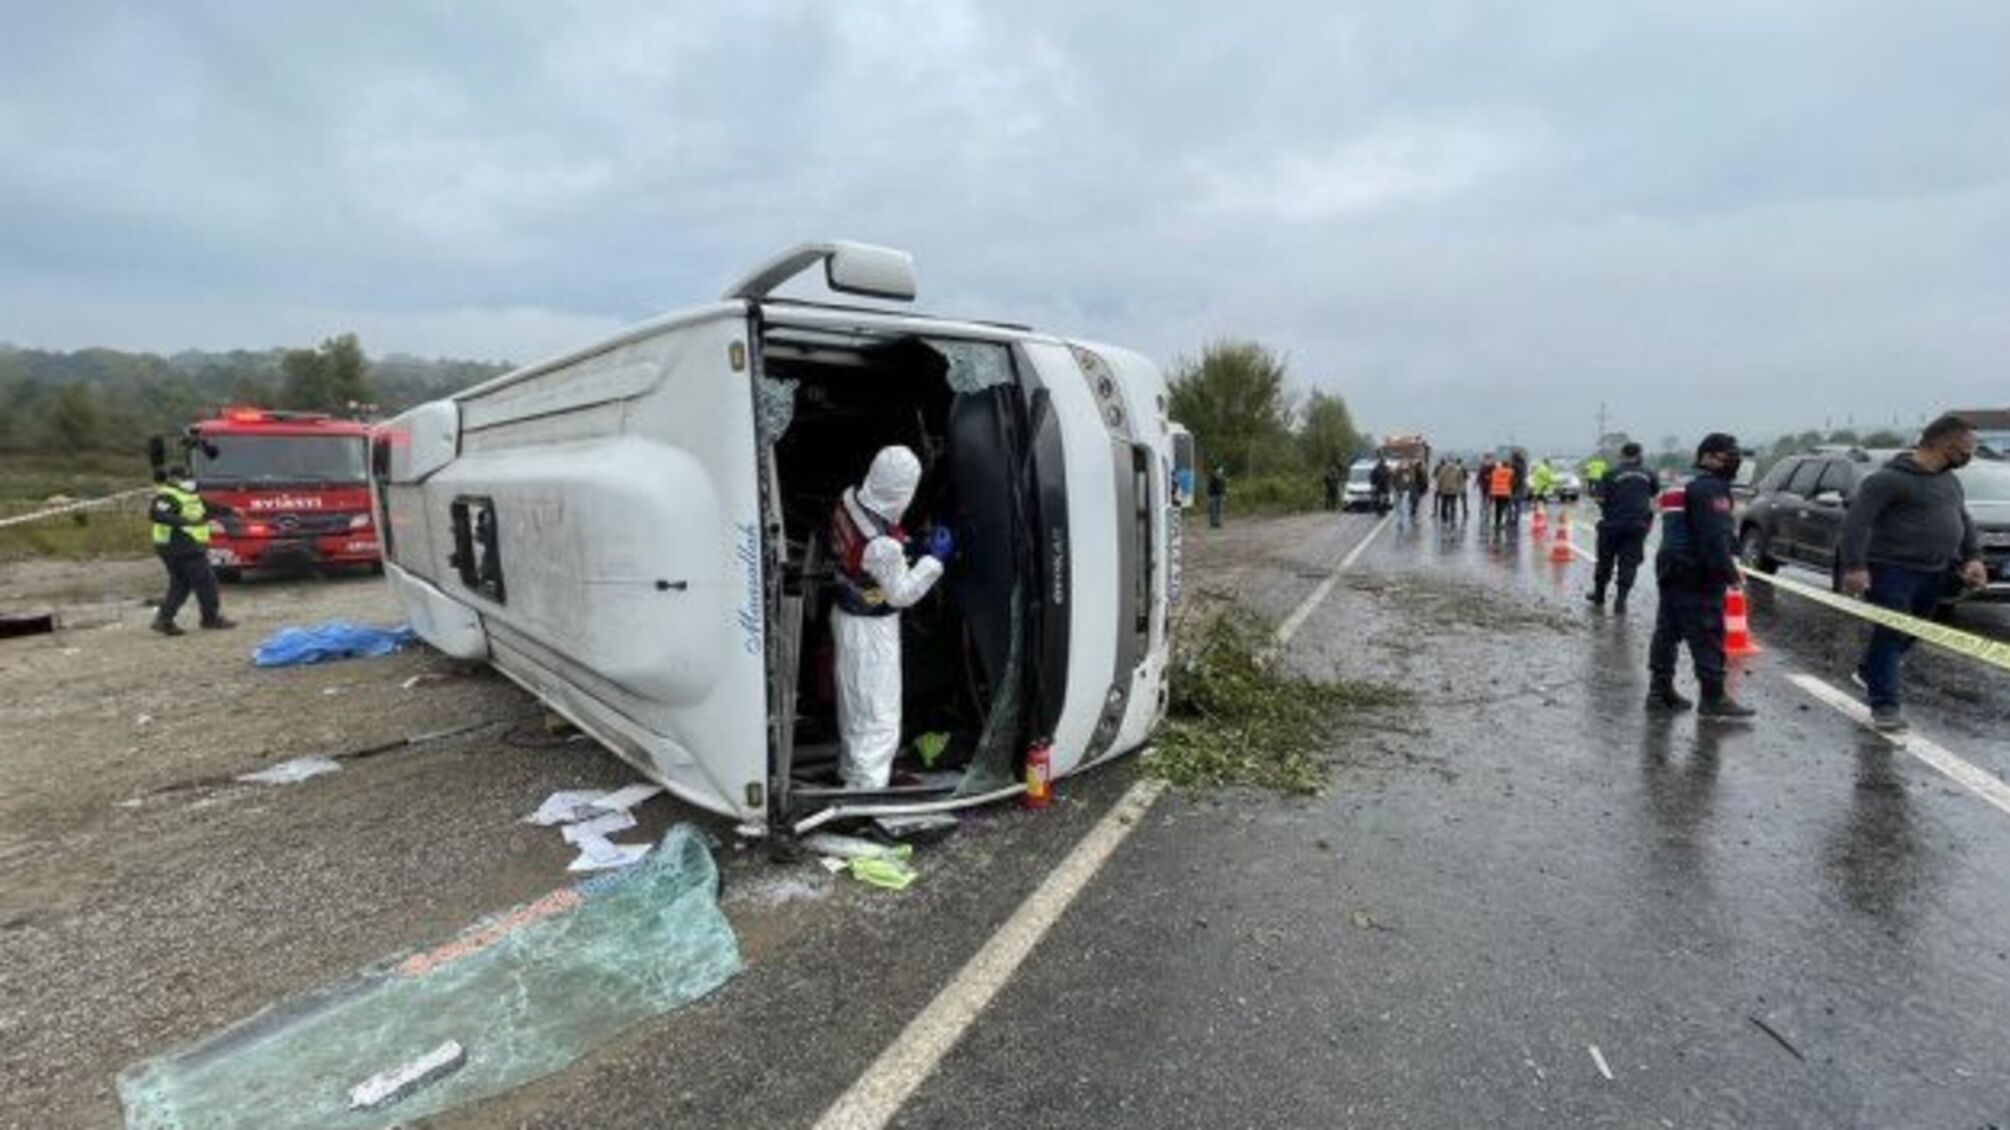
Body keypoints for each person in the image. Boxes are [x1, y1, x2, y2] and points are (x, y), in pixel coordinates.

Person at [1837, 414, 1988, 732]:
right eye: (1967, 447)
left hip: (1935, 571)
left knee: (1913, 632)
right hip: (1892, 571)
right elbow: (1856, 523)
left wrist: (1973, 557)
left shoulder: (1949, 480)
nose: (1970, 455)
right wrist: (1855, 566)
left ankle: (1870, 671)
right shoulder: (1887, 480)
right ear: (1946, 444)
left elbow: (1963, 518)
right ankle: (1885, 707)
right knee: (1892, 634)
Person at [828, 445, 953, 789]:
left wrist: (910, 546)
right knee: (879, 716)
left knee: (855, 706)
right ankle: (867, 797)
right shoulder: (883, 546)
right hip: (871, 629)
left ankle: (851, 774)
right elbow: (901, 594)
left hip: (845, 614)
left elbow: (873, 550)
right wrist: (935, 560)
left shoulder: (850, 498)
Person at [1647, 433, 1754, 719]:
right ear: (1707, 456)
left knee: (1667, 631)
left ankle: (1659, 692)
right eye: (1728, 455)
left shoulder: (1681, 483)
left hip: (1670, 565)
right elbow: (1714, 537)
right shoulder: (1710, 488)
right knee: (1707, 633)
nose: (1733, 461)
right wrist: (1730, 574)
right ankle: (1713, 698)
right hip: (1697, 570)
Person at [148, 464, 235, 636]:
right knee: (206, 582)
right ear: (173, 478)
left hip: (185, 545)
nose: (188, 481)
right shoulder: (167, 495)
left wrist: (231, 511)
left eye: (189, 477)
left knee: (181, 584)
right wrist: (186, 522)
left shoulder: (189, 495)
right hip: (180, 545)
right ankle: (210, 619)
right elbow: (156, 514)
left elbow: (207, 507)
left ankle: (164, 619)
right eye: (184, 478)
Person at [1586, 442, 1656, 612]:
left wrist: (1609, 508)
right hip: (1638, 526)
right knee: (1629, 563)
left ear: (1622, 455)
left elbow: (1599, 498)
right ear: (1640, 455)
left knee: (1605, 561)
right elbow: (1653, 492)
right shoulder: (1649, 474)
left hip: (1612, 525)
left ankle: (1599, 595)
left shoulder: (1610, 474)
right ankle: (1621, 600)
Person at [1487, 457, 1515, 530]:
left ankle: (1497, 523)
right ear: (1508, 465)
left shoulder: (1495, 471)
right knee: (1504, 507)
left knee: (1497, 507)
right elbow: (1512, 482)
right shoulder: (1510, 471)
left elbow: (1491, 480)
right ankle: (1503, 522)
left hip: (1496, 492)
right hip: (1505, 492)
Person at [1433, 458, 1464, 523]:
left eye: (1452, 463)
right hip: (1445, 490)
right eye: (1449, 463)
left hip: (1453, 491)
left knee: (1453, 505)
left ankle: (1452, 517)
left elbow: (1460, 480)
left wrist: (1460, 489)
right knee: (1444, 505)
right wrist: (1438, 488)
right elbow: (1439, 480)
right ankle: (1444, 517)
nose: (1450, 464)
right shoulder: (1443, 470)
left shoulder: (1457, 471)